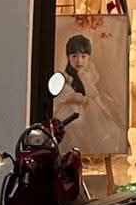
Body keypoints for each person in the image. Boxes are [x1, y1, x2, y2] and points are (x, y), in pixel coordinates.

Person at [54, 30, 128, 158]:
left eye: (83, 56)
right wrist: (77, 98)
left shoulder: (88, 76)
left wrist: (105, 110)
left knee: (101, 115)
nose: (79, 61)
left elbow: (94, 95)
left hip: (86, 115)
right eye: (74, 56)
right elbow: (62, 98)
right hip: (70, 116)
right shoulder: (65, 78)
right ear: (68, 57)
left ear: (89, 57)